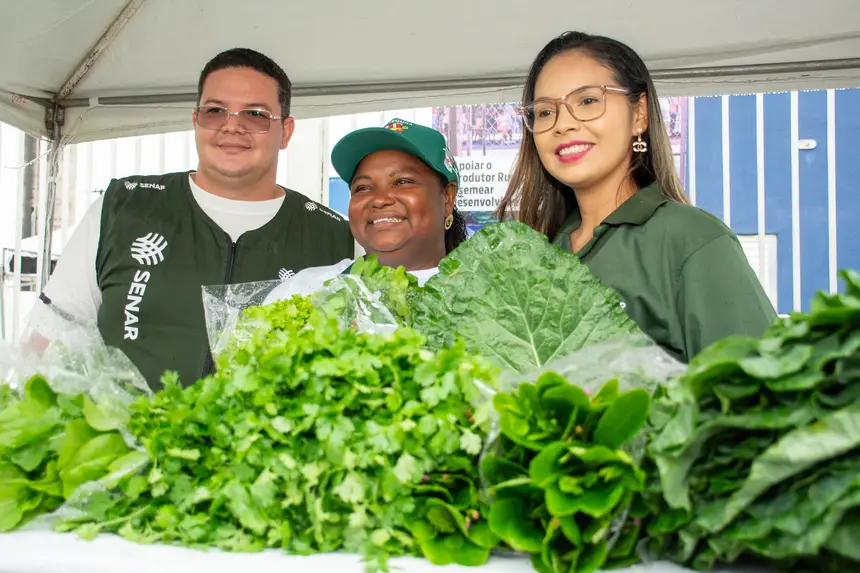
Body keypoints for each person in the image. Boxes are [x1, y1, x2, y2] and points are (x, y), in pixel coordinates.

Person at [27, 48, 355, 389]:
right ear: (195, 120)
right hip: (122, 424)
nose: (232, 126)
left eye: (255, 115)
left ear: (286, 131)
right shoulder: (123, 208)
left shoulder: (333, 236)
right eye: (215, 111)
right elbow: (48, 339)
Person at [495, 31, 777, 364]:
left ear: (639, 113)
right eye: (544, 112)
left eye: (587, 100)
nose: (562, 124)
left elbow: (759, 385)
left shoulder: (692, 239)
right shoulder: (538, 256)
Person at [265, 118, 467, 301]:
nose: (379, 200)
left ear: (448, 197)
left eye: (402, 182)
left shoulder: (484, 298)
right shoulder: (302, 292)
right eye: (363, 188)